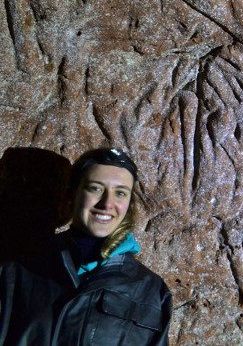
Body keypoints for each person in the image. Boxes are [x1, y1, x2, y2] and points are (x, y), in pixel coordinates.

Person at [0, 147, 172, 345]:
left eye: (121, 193)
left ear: (129, 204)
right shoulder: (17, 273)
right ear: (72, 194)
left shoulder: (152, 291)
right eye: (95, 188)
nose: (107, 203)